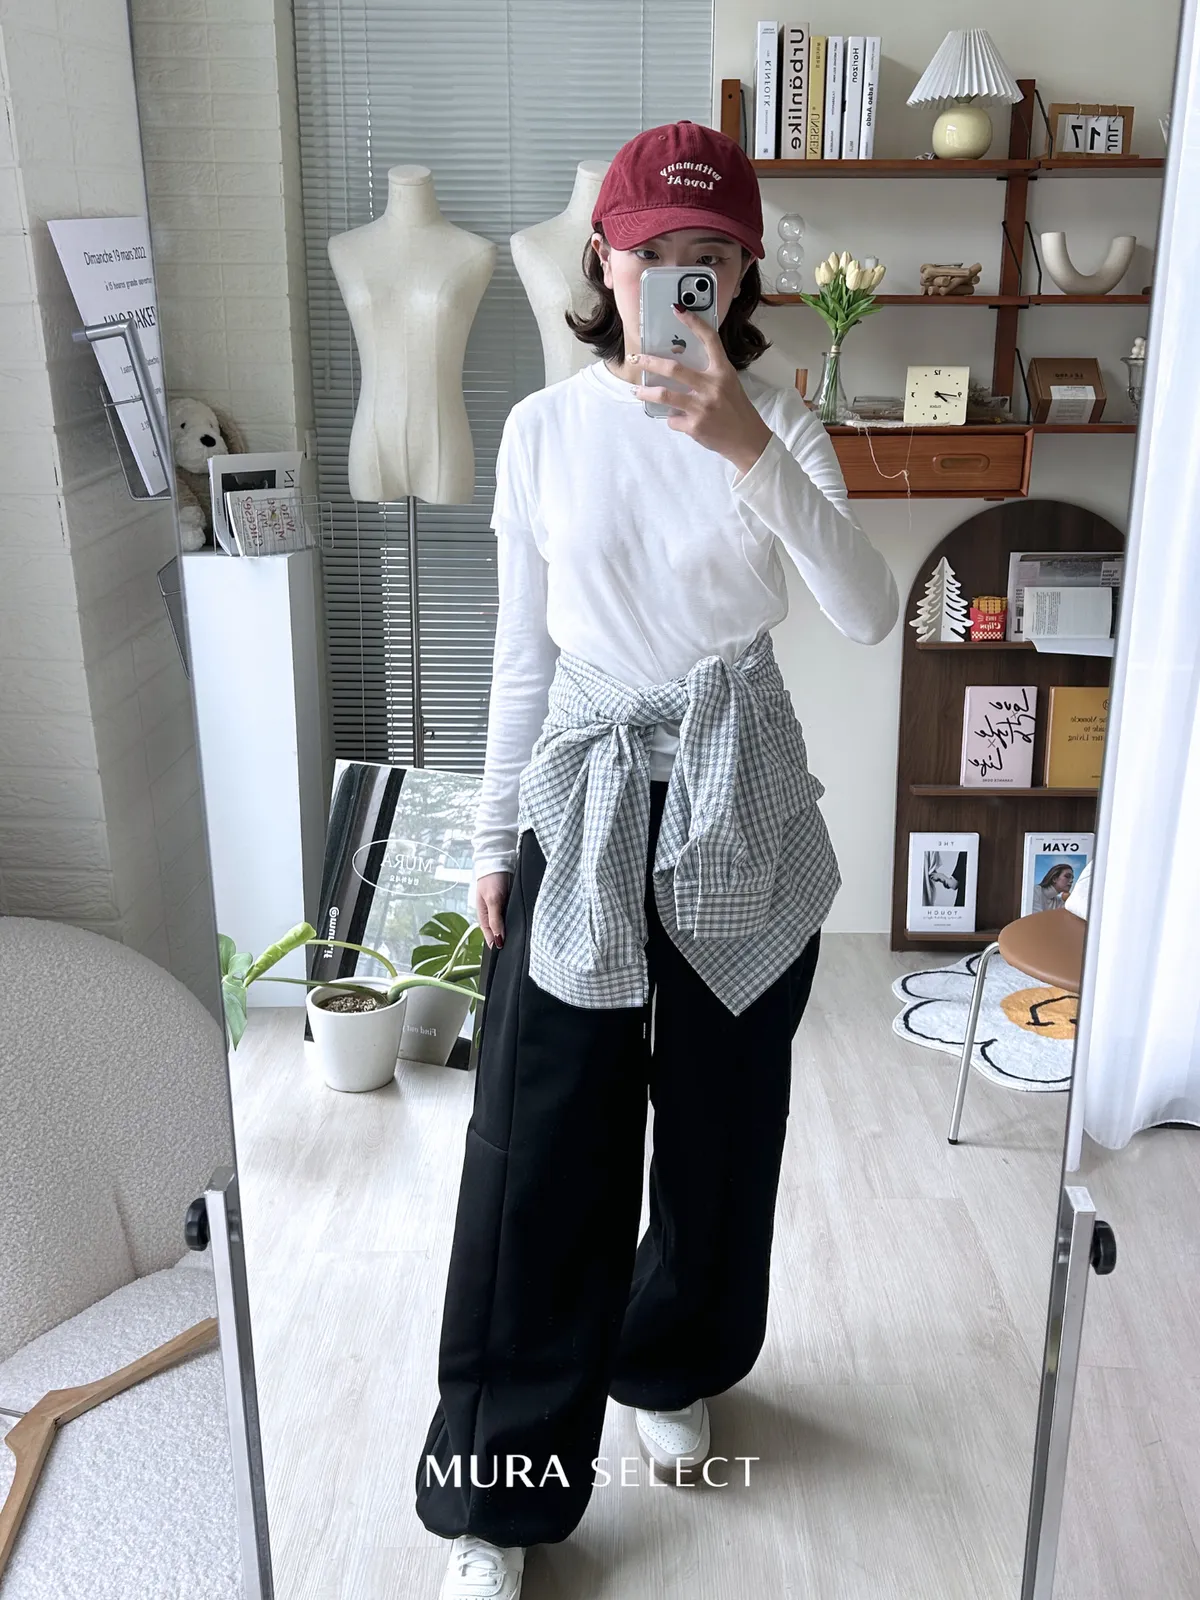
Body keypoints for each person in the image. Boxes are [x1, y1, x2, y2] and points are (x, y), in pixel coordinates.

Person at [415, 119, 899, 1600]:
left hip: (739, 801)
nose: (683, 280)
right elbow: (519, 655)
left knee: (719, 1125)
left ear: (741, 275)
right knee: (541, 1143)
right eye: (655, 255)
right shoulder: (542, 431)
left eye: (712, 258)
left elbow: (868, 610)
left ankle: (670, 1360)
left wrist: (744, 445)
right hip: (581, 801)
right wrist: (490, 838)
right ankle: (500, 1489)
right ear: (605, 263)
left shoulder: (782, 424)